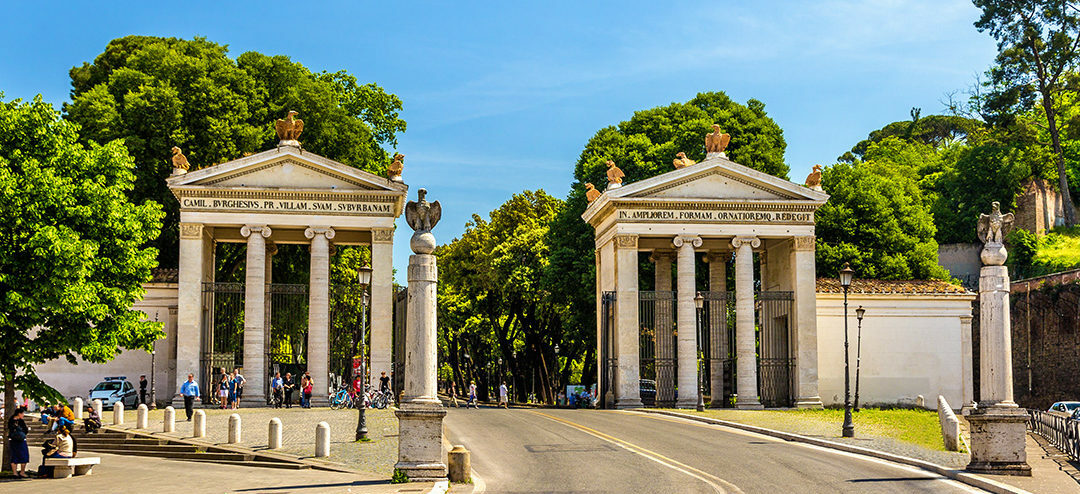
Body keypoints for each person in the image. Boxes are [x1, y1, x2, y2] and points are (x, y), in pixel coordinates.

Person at [8, 406, 30, 477]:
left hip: (13, 440)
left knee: (14, 456)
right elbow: (25, 430)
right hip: (21, 440)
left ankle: (15, 473)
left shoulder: (11, 420)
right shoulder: (21, 421)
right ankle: (22, 472)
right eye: (22, 413)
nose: (23, 415)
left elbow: (9, 429)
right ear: (19, 414)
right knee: (24, 455)